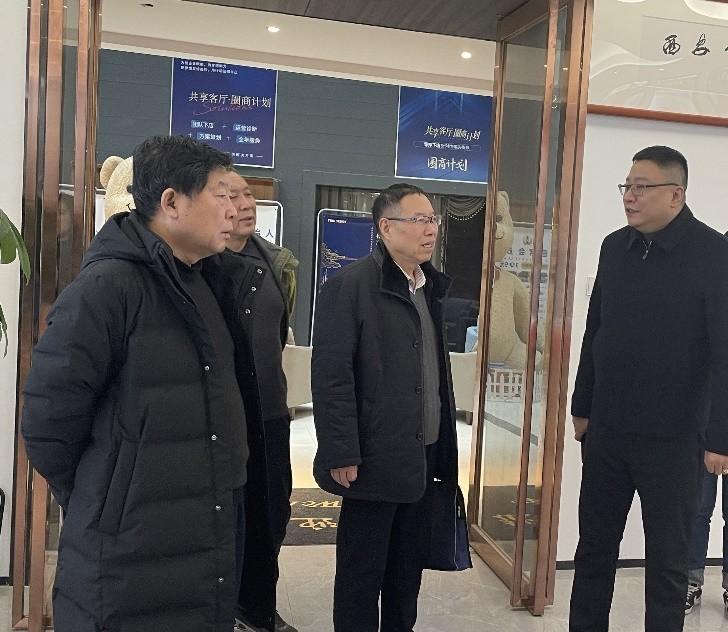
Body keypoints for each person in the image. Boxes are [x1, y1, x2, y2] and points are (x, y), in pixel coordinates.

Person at [22, 135, 249, 632]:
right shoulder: (106, 289)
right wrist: (107, 499)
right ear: (171, 202)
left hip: (196, 539)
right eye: (221, 195)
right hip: (124, 556)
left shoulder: (202, 282)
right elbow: (47, 424)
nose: (234, 210)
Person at [569, 145, 728, 631]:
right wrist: (582, 404)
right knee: (593, 551)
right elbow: (596, 330)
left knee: (667, 564)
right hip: (608, 429)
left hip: (675, 439)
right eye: (627, 186)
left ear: (675, 194)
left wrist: (721, 438)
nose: (629, 196)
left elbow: (724, 350)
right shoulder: (614, 247)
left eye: (642, 187)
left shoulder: (714, 253)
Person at [311, 183, 459, 632]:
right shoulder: (350, 287)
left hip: (423, 454)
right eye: (419, 220)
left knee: (405, 574)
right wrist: (340, 450)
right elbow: (332, 376)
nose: (430, 229)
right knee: (361, 575)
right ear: (386, 228)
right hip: (372, 458)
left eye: (433, 219)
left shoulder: (428, 287)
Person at [221, 171, 299, 632]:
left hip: (271, 414)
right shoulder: (198, 265)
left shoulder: (275, 261)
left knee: (272, 514)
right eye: (232, 195)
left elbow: (278, 338)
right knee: (226, 519)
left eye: (249, 194)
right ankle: (226, 611)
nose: (245, 203)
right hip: (223, 420)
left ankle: (258, 609)